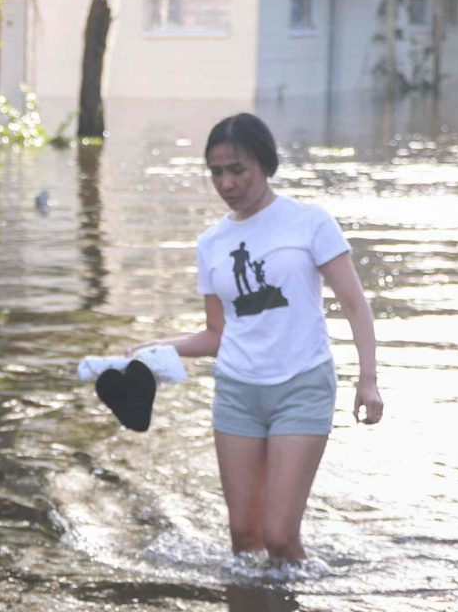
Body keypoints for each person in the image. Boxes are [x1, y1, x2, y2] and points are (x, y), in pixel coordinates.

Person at [139, 111, 382, 563]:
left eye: (238, 169)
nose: (227, 183)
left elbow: (354, 303)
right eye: (216, 171)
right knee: (242, 534)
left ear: (265, 165)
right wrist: (152, 350)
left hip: (301, 386)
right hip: (237, 393)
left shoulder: (309, 222)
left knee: (279, 536)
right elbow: (217, 334)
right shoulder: (211, 242)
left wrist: (367, 380)